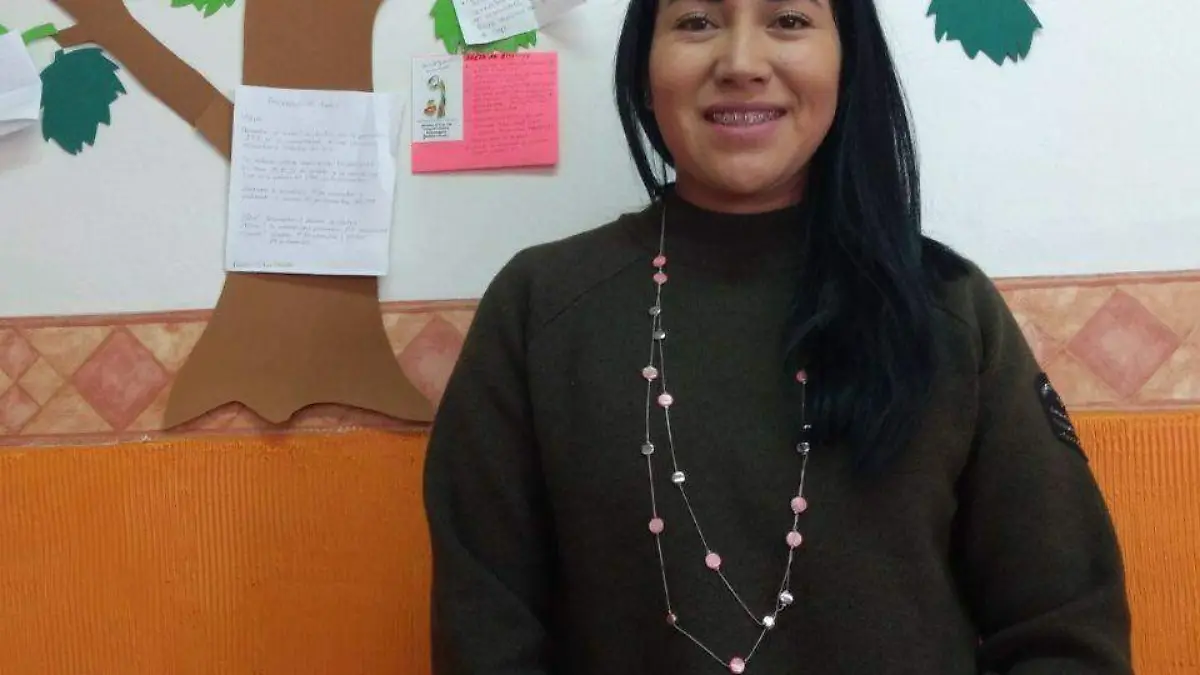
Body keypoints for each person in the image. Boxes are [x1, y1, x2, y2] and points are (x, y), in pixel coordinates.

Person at [422, 0, 1134, 672]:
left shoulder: (947, 309)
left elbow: (1065, 631)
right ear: (643, 67)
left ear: (847, 62)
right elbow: (486, 635)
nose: (741, 62)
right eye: (697, 21)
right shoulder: (539, 308)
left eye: (789, 19)